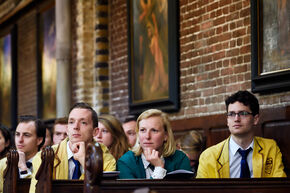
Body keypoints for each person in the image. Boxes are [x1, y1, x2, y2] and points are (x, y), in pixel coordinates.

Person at [196, 90, 286, 178]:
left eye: (242, 113)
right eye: (231, 114)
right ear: (227, 120)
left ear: (255, 119)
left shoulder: (270, 148)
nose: (236, 119)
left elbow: (278, 186)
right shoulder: (208, 156)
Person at [30, 102, 116, 193]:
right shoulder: (44, 157)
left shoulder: (106, 159)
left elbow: (104, 191)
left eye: (83, 122)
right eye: (71, 122)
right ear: (67, 129)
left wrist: (84, 161)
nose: (75, 127)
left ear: (95, 131)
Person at [117, 109, 191, 179]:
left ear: (166, 135)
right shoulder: (126, 162)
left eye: (154, 130)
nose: (147, 136)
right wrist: (159, 169)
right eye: (143, 130)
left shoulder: (180, 159)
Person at [0, 115, 46, 192]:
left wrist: (24, 169)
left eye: (26, 135)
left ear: (39, 140)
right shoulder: (2, 164)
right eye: (17, 134)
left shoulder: (45, 164)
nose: (20, 140)